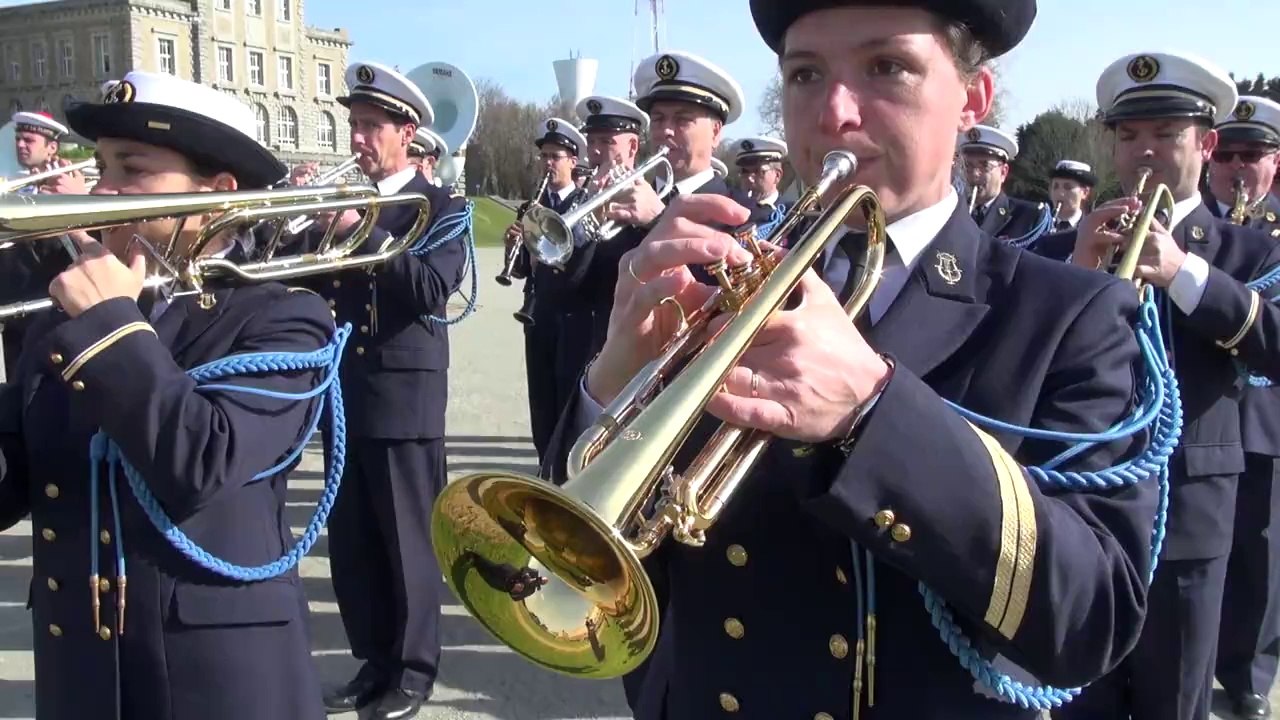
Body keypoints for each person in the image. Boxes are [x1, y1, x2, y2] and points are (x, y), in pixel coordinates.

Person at [538, 1, 1164, 717]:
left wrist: (873, 408)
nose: (835, 112)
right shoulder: (717, 280)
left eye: (887, 67)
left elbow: (1095, 615)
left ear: (973, 98)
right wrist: (613, 381)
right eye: (806, 74)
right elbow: (578, 548)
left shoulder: (1070, 314)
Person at [0, 69, 331, 720]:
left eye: (133, 168)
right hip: (81, 675)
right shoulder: (63, 314)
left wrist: (109, 324)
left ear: (217, 193)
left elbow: (199, 462)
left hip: (216, 678)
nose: (103, 190)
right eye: (100, 166)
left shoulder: (284, 315)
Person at [1038, 52, 1280, 720]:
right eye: (1128, 136)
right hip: (1083, 508)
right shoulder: (1064, 249)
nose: (1144, 152)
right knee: (1079, 699)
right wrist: (1078, 275)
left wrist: (1183, 273)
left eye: (1166, 135)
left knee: (1174, 701)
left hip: (1190, 512)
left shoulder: (1246, 251)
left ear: (1205, 144)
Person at [317, 60, 468, 720]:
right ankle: (374, 659)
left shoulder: (445, 207)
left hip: (404, 396)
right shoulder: (346, 196)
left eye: (371, 127)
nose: (358, 140)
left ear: (407, 132)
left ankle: (412, 669)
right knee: (353, 541)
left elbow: (432, 290)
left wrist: (363, 230)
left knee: (407, 541)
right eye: (354, 125)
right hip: (342, 386)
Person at [1203, 94, 1280, 720]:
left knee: (1258, 552)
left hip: (1264, 414)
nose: (1235, 166)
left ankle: (1248, 673)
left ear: (1274, 163)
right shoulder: (1187, 223)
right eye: (1225, 154)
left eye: (1249, 155)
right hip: (1197, 413)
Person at [503, 117, 591, 463]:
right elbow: (525, 269)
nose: (549, 163)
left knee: (568, 401)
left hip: (572, 319)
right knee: (541, 404)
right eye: (545, 157)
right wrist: (514, 248)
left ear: (572, 161)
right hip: (538, 317)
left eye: (556, 156)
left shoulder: (583, 204)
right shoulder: (532, 208)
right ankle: (544, 466)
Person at [959, 124, 1047, 241]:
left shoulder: (1028, 217)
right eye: (967, 165)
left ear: (1003, 173)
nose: (975, 174)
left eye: (985, 165)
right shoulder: (950, 211)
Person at [733, 136, 787, 209]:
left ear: (777, 176)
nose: (749, 178)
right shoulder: (734, 212)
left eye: (757, 171)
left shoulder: (791, 213)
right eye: (745, 172)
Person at [1048, 160, 1097, 230]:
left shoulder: (1091, 229)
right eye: (1055, 186)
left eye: (1068, 187)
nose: (1060, 193)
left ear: (1085, 192)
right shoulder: (1038, 226)